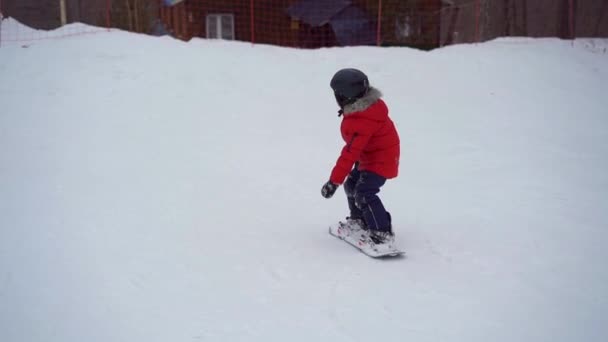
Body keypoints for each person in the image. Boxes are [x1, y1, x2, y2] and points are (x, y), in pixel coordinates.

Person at [321, 68, 400, 245]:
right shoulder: (364, 110)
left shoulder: (362, 119)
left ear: (345, 96)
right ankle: (359, 220)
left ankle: (382, 231)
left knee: (364, 192)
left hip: (380, 160)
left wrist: (333, 181)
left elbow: (350, 153)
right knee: (351, 184)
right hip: (371, 156)